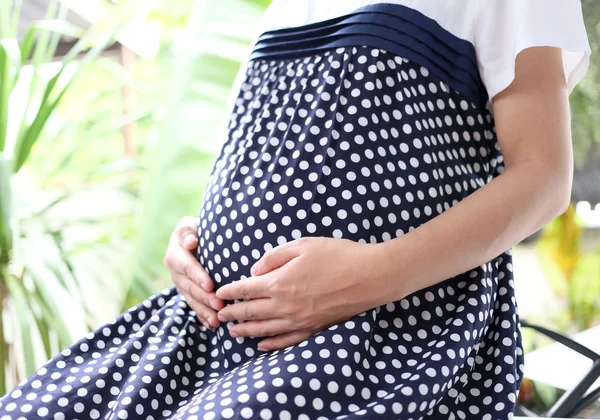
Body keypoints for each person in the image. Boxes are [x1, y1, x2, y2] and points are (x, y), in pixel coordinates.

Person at [0, 0, 591, 419]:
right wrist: (191, 236)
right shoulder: (284, 7)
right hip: (206, 329)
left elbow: (543, 177)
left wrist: (370, 276)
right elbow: (259, 154)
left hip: (380, 335)